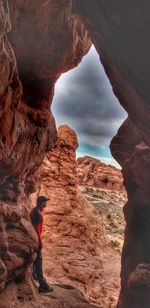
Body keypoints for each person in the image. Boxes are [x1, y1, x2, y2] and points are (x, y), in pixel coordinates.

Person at [30, 195, 53, 292]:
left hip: (34, 238)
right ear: (41, 203)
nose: (46, 203)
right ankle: (43, 285)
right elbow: (36, 229)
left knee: (35, 261)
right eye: (45, 202)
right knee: (39, 262)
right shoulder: (37, 213)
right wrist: (39, 242)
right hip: (36, 239)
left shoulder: (37, 211)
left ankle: (35, 276)